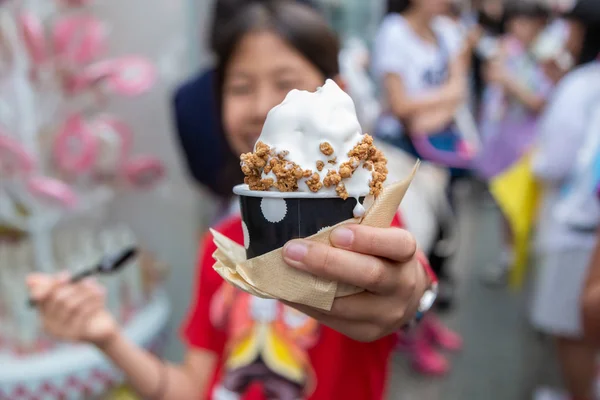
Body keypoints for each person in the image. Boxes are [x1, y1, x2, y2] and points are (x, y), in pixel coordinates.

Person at [26, 2, 432, 399]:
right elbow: (193, 387)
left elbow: (409, 281)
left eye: (285, 85)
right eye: (240, 87)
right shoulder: (220, 249)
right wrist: (106, 335)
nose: (261, 107)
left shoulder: (366, 224)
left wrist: (410, 298)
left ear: (336, 97)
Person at [371, 0, 466, 375]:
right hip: (404, 157)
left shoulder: (446, 31)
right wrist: (445, 102)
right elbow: (399, 106)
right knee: (414, 246)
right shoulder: (394, 32)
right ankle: (409, 332)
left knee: (442, 242)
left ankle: (425, 322)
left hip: (442, 155)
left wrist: (428, 112)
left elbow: (456, 90)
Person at [530, 57, 600, 400]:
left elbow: (555, 163)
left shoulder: (583, 84)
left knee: (573, 328)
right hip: (584, 224)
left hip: (579, 226)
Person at [476, 1, 552, 284]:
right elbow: (492, 90)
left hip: (531, 139)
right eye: (518, 21)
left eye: (528, 22)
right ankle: (509, 255)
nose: (522, 28)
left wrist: (508, 80)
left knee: (530, 203)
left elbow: (539, 101)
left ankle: (524, 252)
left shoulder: (547, 54)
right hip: (505, 137)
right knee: (507, 201)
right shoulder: (504, 49)